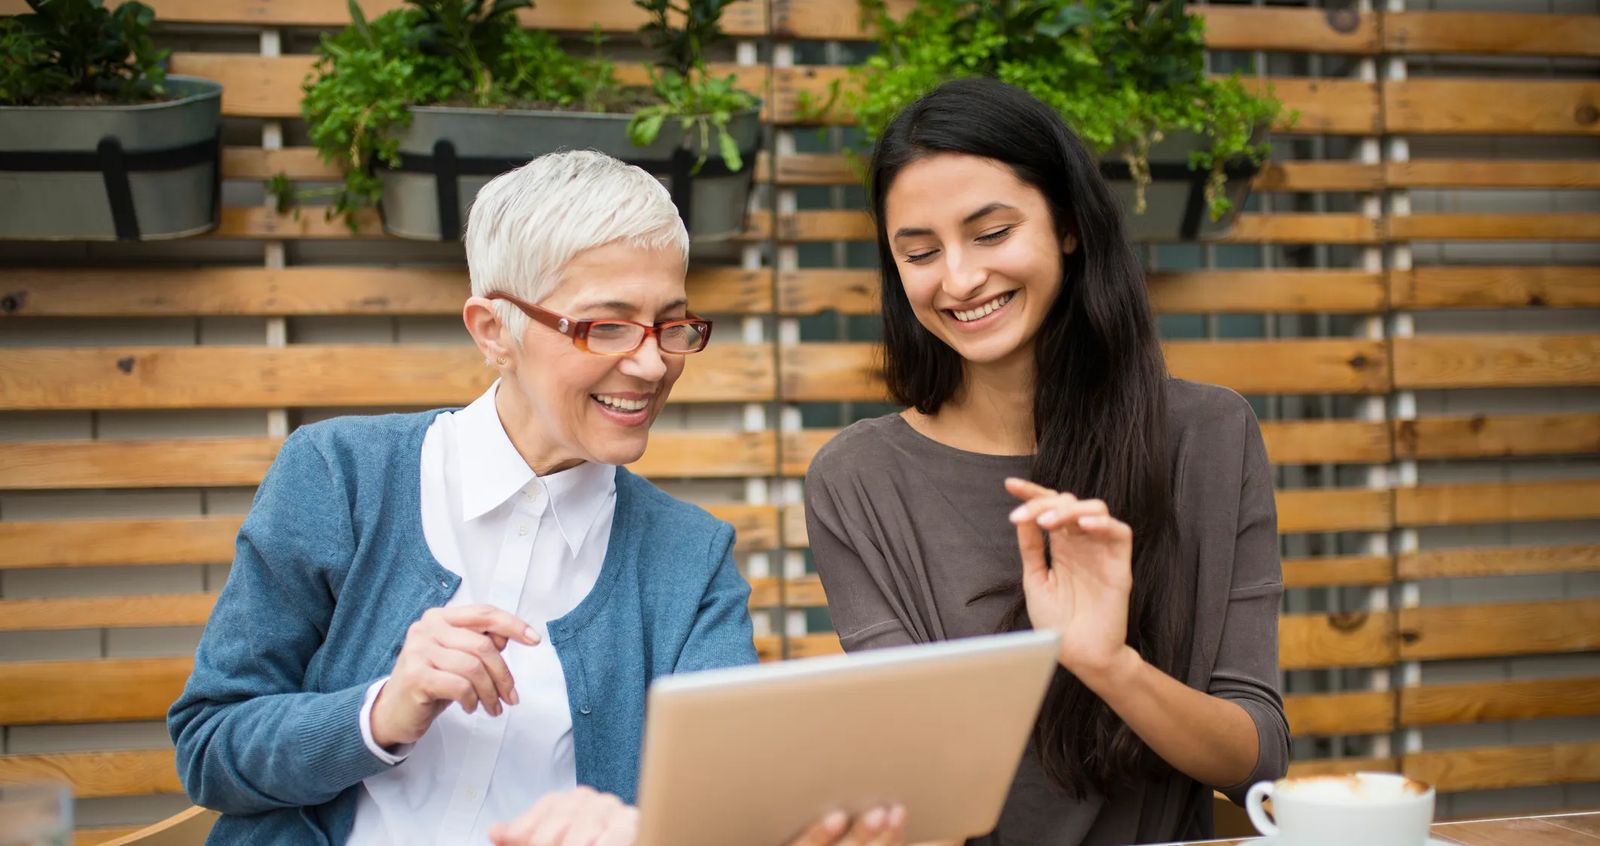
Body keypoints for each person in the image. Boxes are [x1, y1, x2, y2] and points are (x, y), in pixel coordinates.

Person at [169, 150, 906, 846]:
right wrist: (380, 712)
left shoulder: (689, 555)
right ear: (494, 330)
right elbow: (209, 746)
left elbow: (727, 796)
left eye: (671, 324)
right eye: (606, 326)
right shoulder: (339, 475)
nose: (651, 363)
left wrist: (641, 826)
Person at [804, 78, 1290, 846]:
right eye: (921, 252)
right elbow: (916, 773)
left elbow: (1256, 760)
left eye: (992, 234)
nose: (958, 280)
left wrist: (1108, 663)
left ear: (1066, 224)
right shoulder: (857, 479)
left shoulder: (1211, 436)